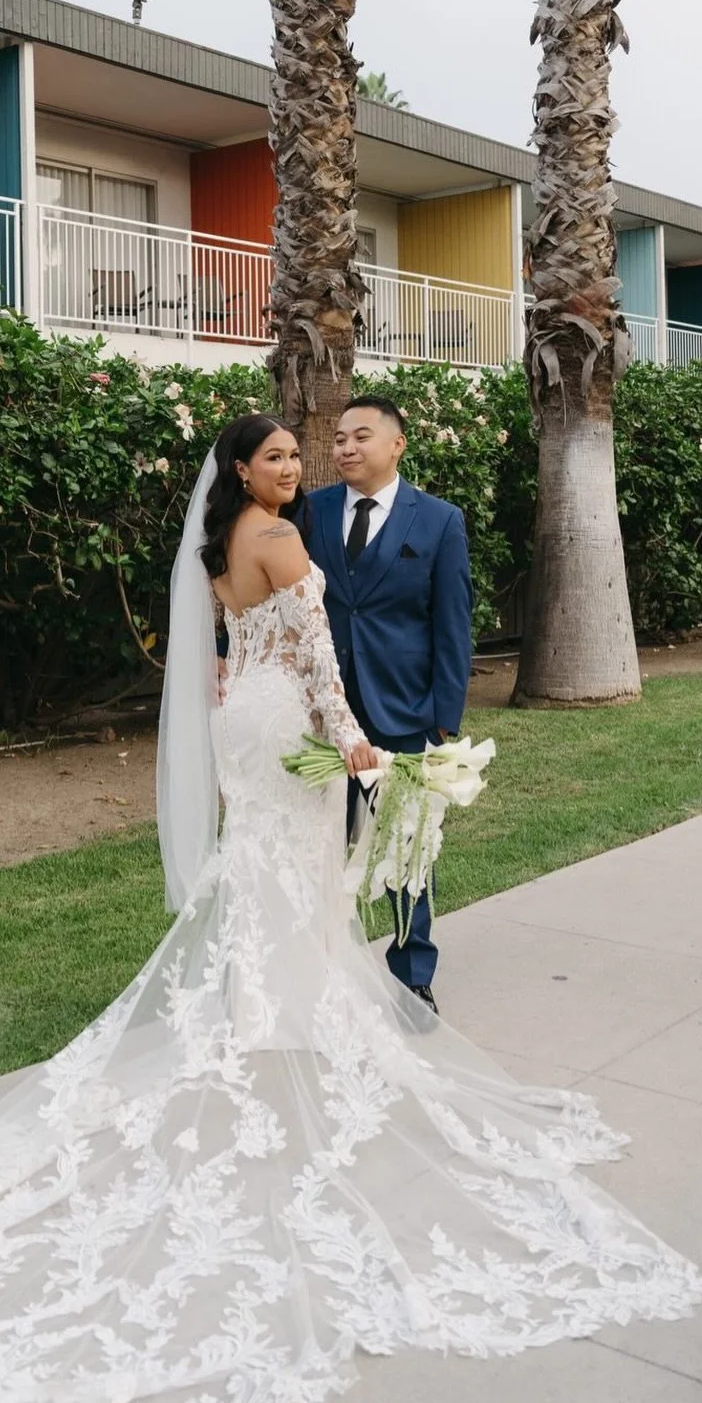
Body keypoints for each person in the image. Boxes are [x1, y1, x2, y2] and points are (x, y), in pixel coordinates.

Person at [0, 415, 702, 1403]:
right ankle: (286, 1007)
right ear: (244, 473)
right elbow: (314, 655)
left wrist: (278, 713)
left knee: (264, 871)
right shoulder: (277, 537)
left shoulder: (220, 548)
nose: (297, 469)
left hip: (241, 727)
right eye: (280, 458)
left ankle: (266, 1002)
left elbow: (227, 653)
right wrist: (355, 746)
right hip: (289, 725)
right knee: (292, 870)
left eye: (303, 457)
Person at [301, 396, 472, 1012]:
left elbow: (453, 627)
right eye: (340, 438)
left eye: (361, 437)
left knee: (404, 848)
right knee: (318, 847)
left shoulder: (439, 521)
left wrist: (442, 721)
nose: (346, 447)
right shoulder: (310, 511)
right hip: (319, 715)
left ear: (397, 444)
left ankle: (411, 975)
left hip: (402, 714)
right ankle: (319, 969)